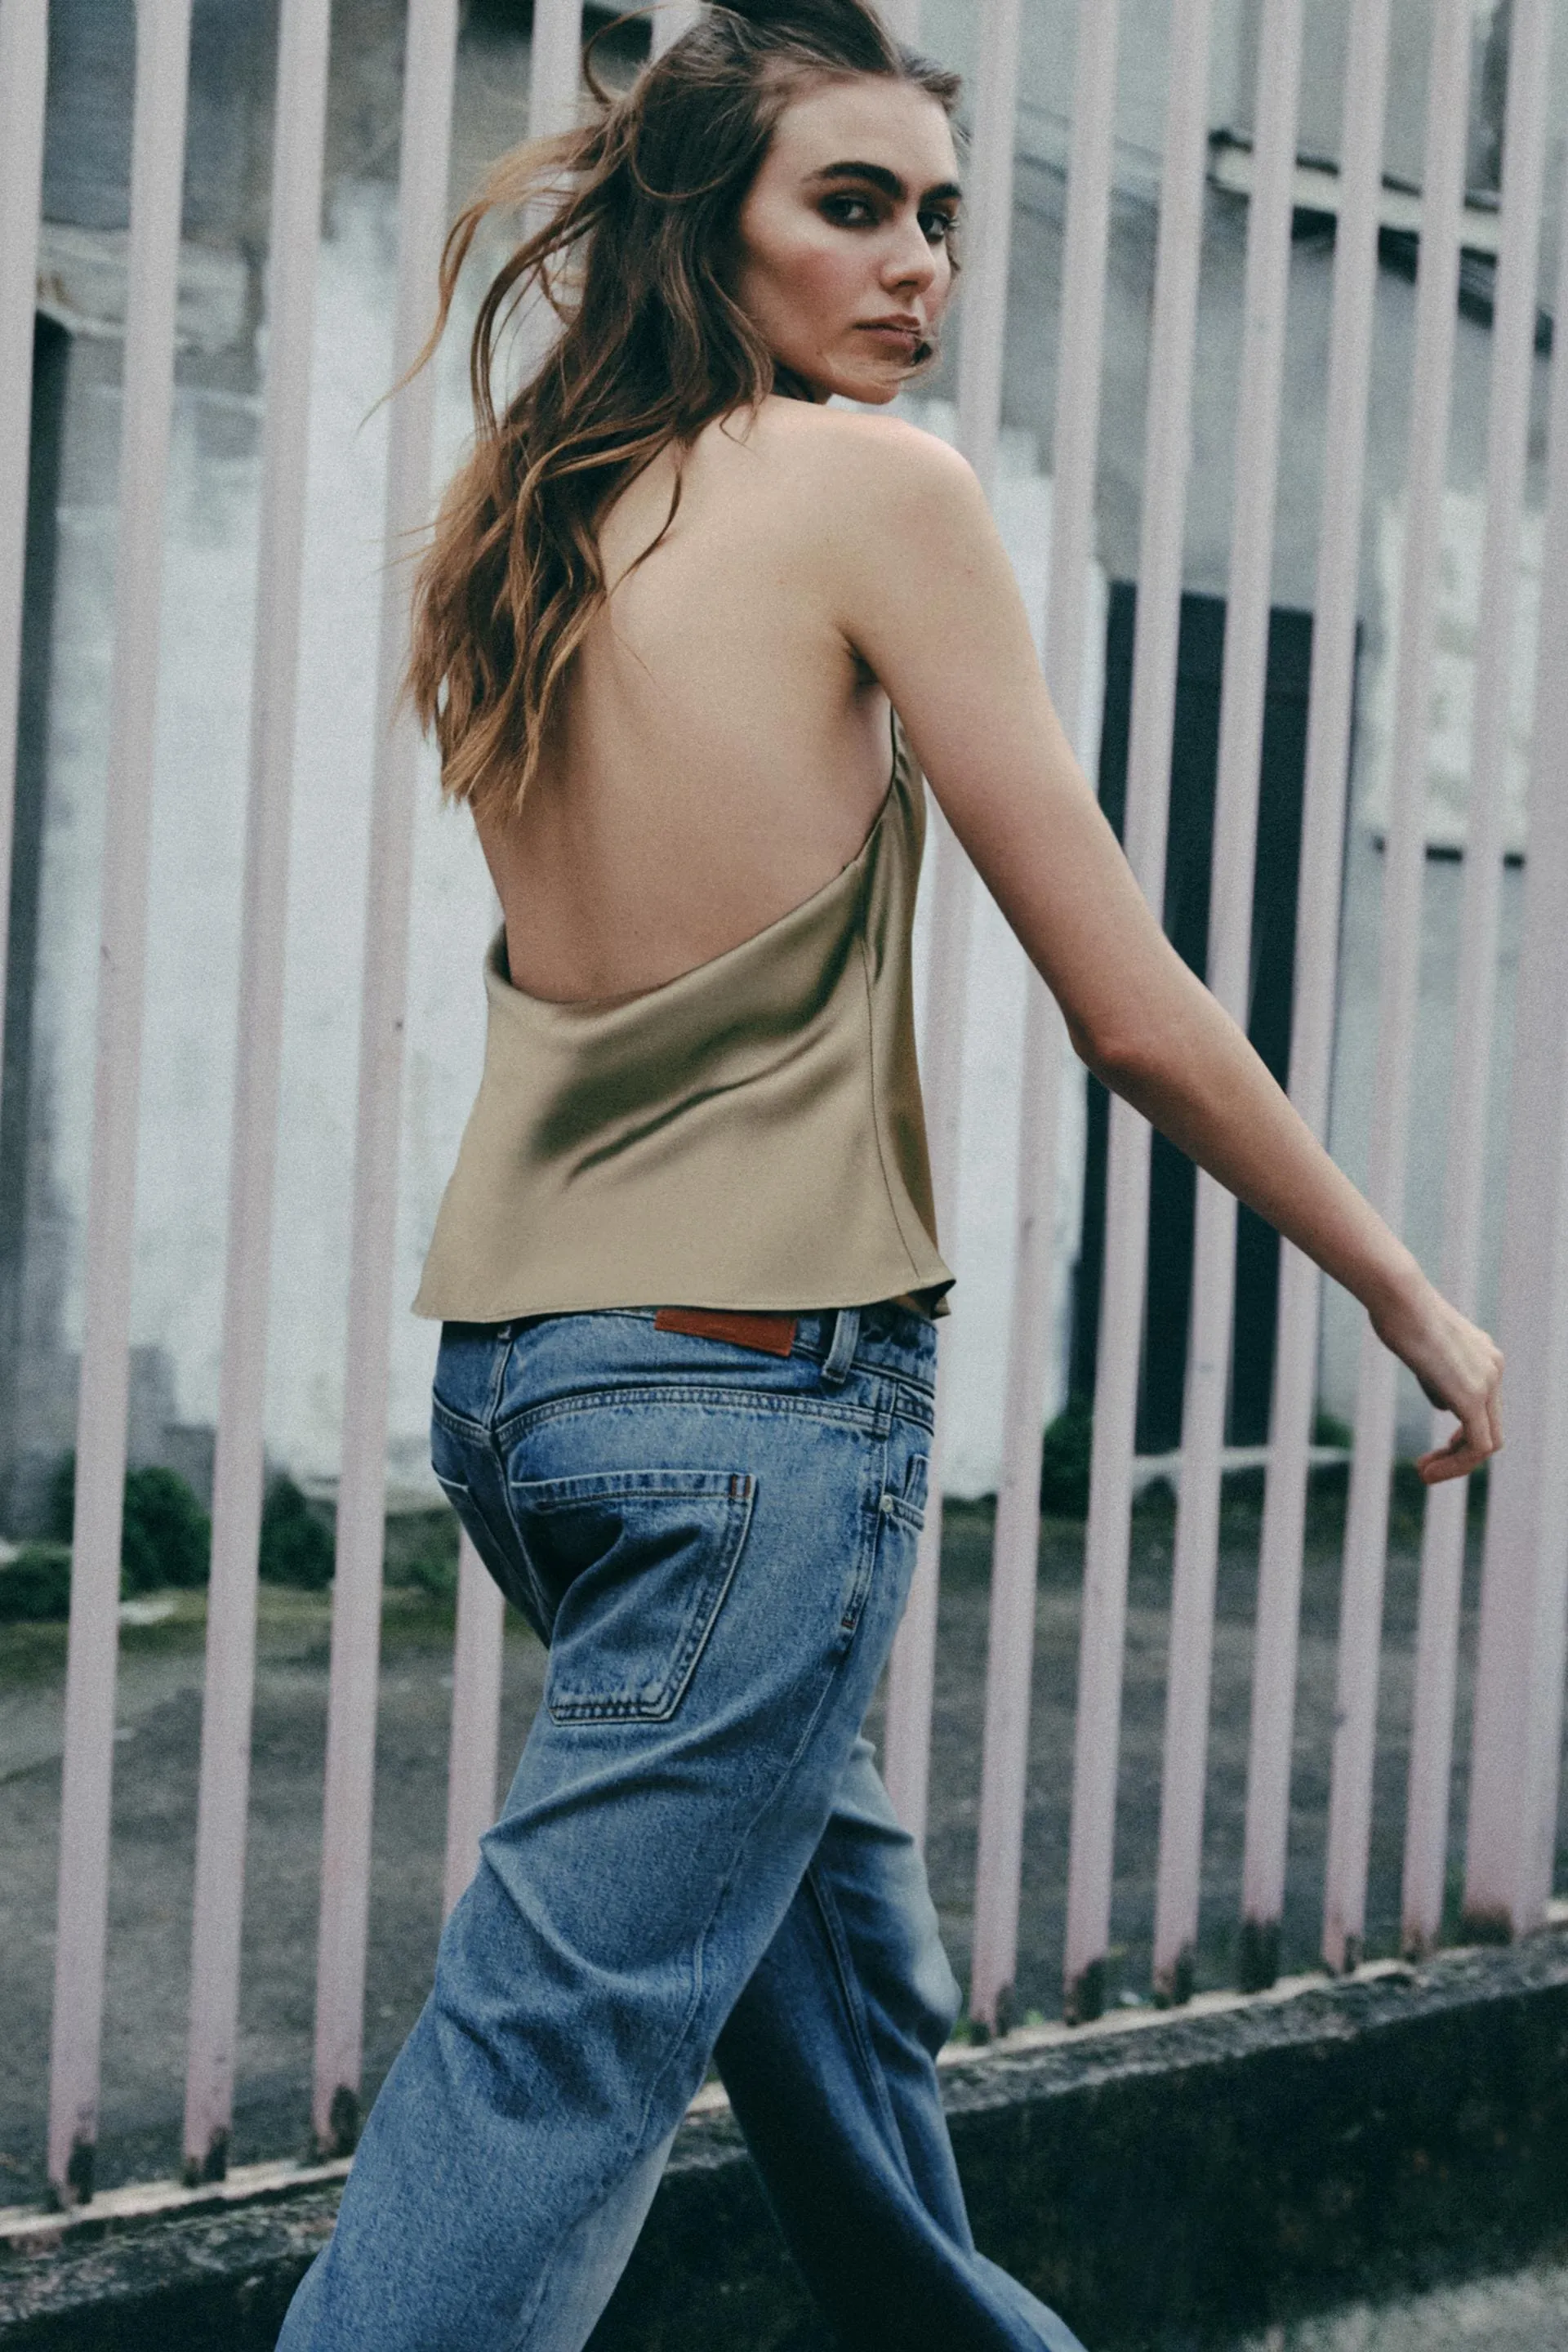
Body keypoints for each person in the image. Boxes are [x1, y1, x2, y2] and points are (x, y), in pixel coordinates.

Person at [277, 2, 1503, 2344]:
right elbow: (1134, 1010)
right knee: (547, 2067)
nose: (919, 262)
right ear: (703, 224)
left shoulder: (533, 516)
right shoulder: (879, 494)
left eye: (940, 213)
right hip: (752, 1402)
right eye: (850, 206)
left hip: (529, 1393)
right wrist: (1404, 1291)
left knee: (843, 1997)